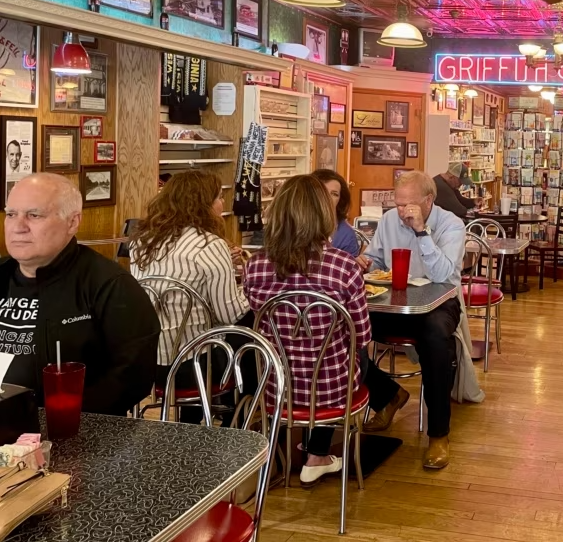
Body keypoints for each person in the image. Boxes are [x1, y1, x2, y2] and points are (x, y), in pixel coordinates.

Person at [244, 175, 372, 486]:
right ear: (324, 215)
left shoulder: (256, 266)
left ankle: (284, 453)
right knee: (354, 355)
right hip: (330, 388)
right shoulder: (344, 267)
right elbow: (362, 336)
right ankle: (318, 452)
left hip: (276, 386)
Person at [0, 173, 159, 415]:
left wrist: (64, 417)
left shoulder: (110, 285)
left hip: (72, 431)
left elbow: (132, 376)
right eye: (11, 214)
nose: (18, 227)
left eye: (34, 215)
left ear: (72, 222)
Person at [355, 171, 464, 470]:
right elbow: (377, 259)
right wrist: (366, 262)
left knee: (436, 340)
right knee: (345, 329)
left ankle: (439, 434)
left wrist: (421, 232)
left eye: (408, 205)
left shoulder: (451, 225)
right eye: (398, 204)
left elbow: (444, 277)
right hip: (393, 302)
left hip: (439, 304)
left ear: (428, 201)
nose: (401, 212)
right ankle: (388, 396)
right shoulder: (389, 221)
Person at [129, 170, 252, 423]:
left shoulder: (142, 241)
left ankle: (194, 422)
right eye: (218, 198)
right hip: (195, 367)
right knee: (253, 345)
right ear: (202, 205)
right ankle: (239, 425)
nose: (222, 204)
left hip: (149, 363)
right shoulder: (209, 245)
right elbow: (231, 314)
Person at [311, 169, 359, 256]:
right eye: (323, 192)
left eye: (334, 194)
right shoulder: (295, 223)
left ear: (340, 201)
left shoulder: (346, 235)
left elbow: (349, 267)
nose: (327, 198)